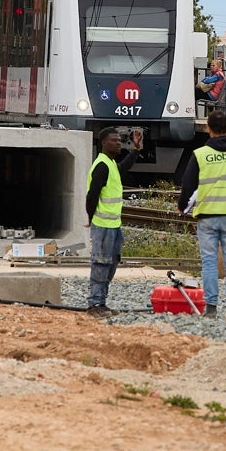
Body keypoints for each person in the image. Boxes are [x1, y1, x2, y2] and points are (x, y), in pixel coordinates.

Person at [177, 109, 226, 320]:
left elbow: (188, 184)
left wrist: (182, 205)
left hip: (207, 217)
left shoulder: (200, 154)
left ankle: (211, 308)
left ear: (208, 129)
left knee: (209, 262)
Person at [84, 125, 143, 316]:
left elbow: (124, 167)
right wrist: (90, 217)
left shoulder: (110, 164)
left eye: (119, 140)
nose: (118, 143)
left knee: (111, 264)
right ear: (103, 143)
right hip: (103, 226)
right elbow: (92, 195)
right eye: (114, 140)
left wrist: (136, 150)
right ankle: (94, 304)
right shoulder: (101, 165)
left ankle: (101, 302)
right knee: (101, 264)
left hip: (114, 225)